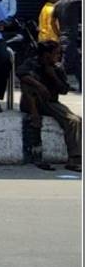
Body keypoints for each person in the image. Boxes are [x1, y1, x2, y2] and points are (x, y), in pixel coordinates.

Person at [17, 40, 81, 172]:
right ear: (47, 54)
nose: (59, 56)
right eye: (56, 53)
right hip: (31, 103)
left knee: (74, 121)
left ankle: (74, 158)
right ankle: (37, 152)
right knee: (28, 84)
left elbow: (64, 90)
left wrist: (53, 76)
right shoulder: (32, 63)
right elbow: (21, 74)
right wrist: (40, 86)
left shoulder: (57, 68)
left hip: (50, 102)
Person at [52, 0, 82, 92]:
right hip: (70, 38)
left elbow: (52, 22)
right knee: (65, 64)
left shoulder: (57, 4)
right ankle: (54, 84)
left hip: (63, 37)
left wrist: (58, 33)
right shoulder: (74, 2)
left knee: (77, 62)